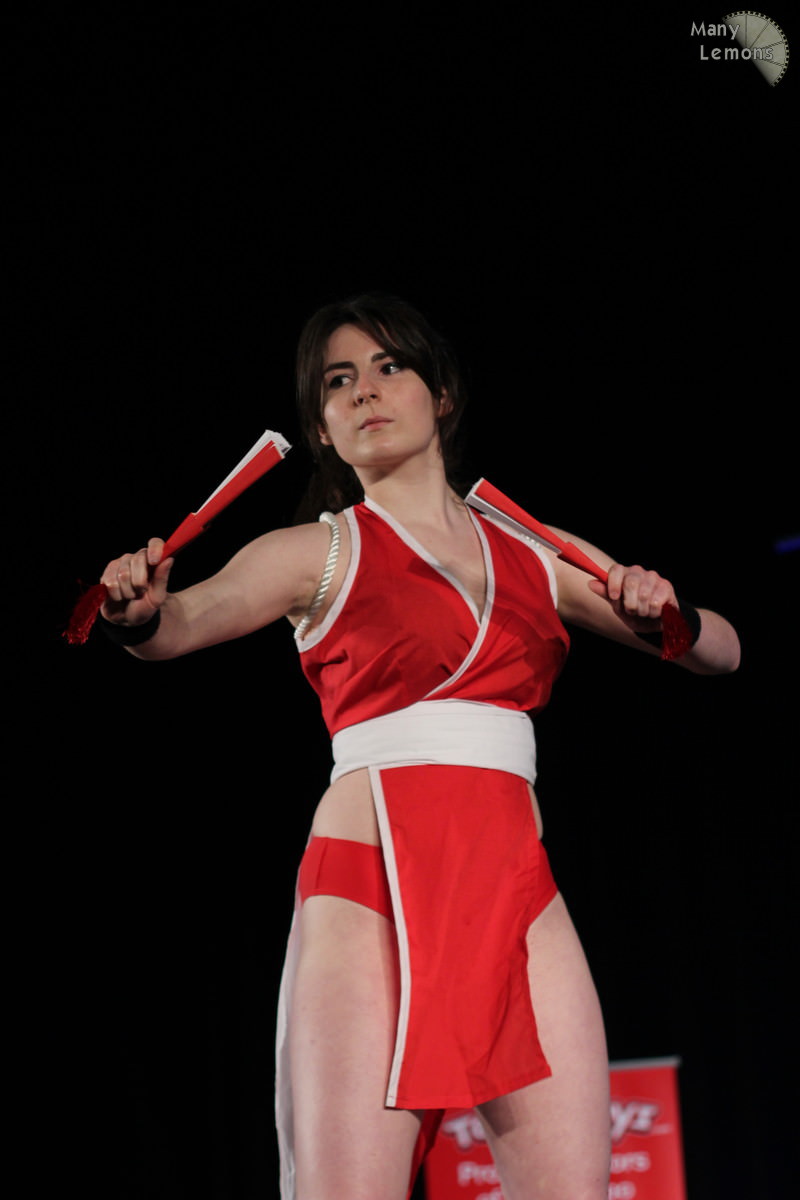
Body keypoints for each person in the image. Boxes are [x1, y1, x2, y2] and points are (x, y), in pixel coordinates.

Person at [98, 294, 740, 1200]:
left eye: (389, 366)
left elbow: (722, 651)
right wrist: (137, 613)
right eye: (338, 381)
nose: (365, 390)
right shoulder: (317, 552)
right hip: (367, 885)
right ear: (322, 430)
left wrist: (659, 609)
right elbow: (179, 625)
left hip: (513, 889)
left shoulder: (535, 551)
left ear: (442, 396)